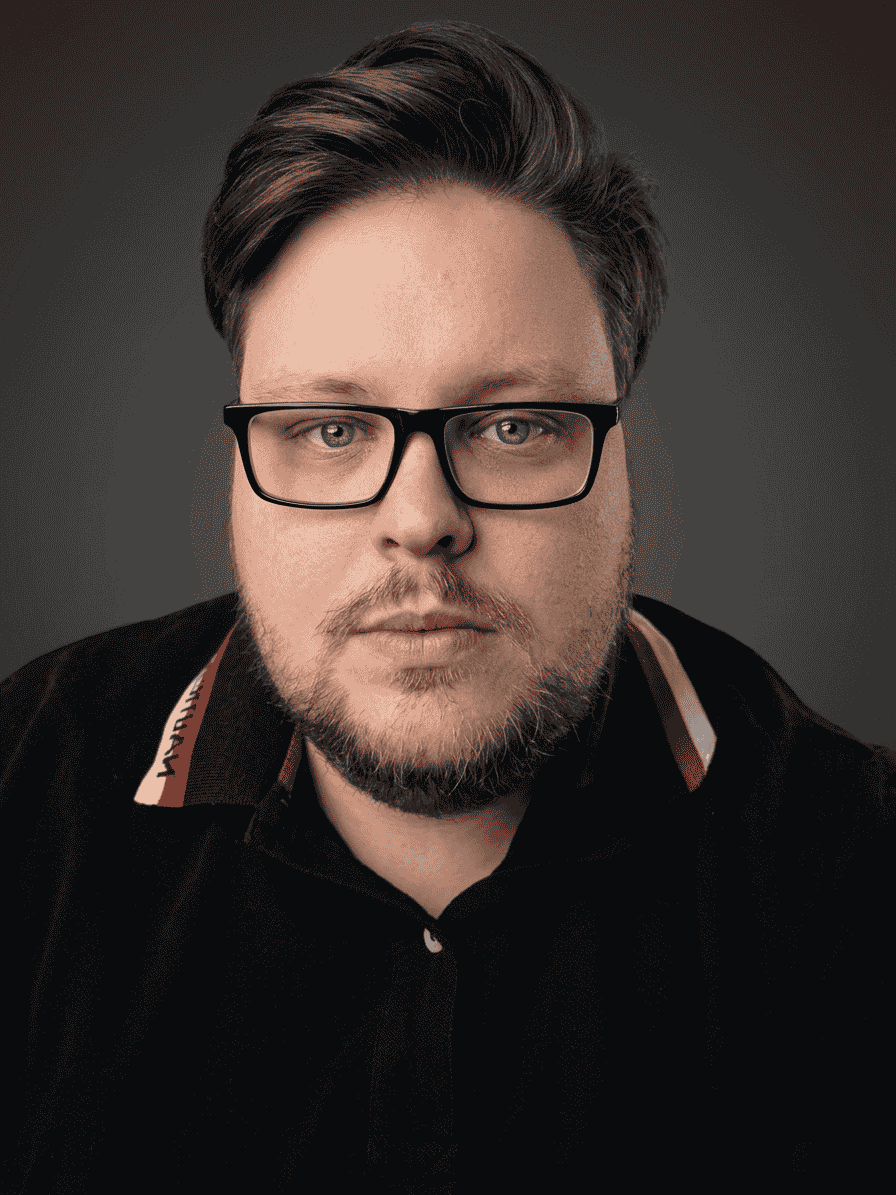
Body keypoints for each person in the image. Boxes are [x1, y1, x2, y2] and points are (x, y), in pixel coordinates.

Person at [2, 20, 892, 1192]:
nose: (420, 519)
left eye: (511, 424)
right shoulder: (21, 806)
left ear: (619, 458)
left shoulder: (853, 877)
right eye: (330, 428)